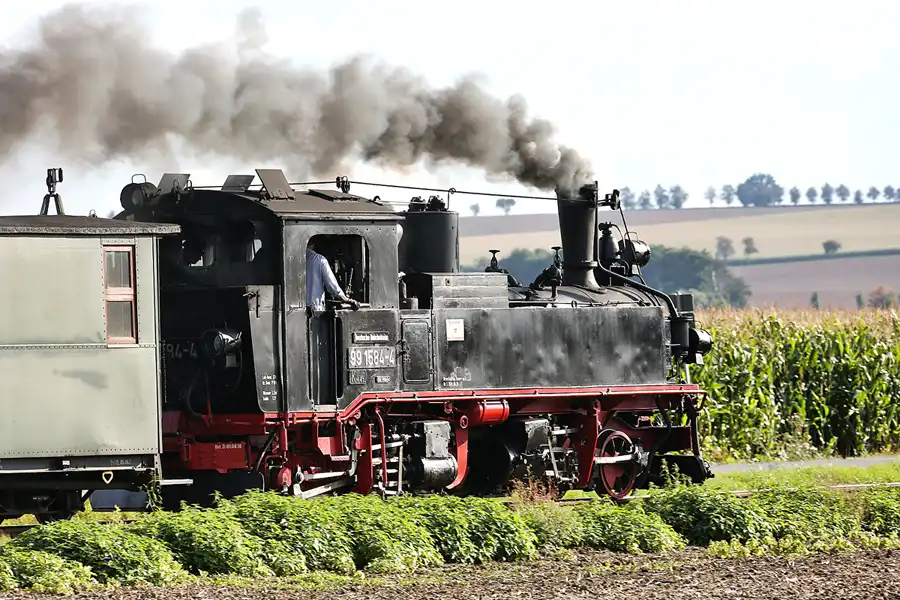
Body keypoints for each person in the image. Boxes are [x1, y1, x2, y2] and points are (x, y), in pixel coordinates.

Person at [306, 240, 359, 313]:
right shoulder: (320, 260)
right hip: (315, 310)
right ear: (313, 243)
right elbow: (332, 286)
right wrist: (346, 299)